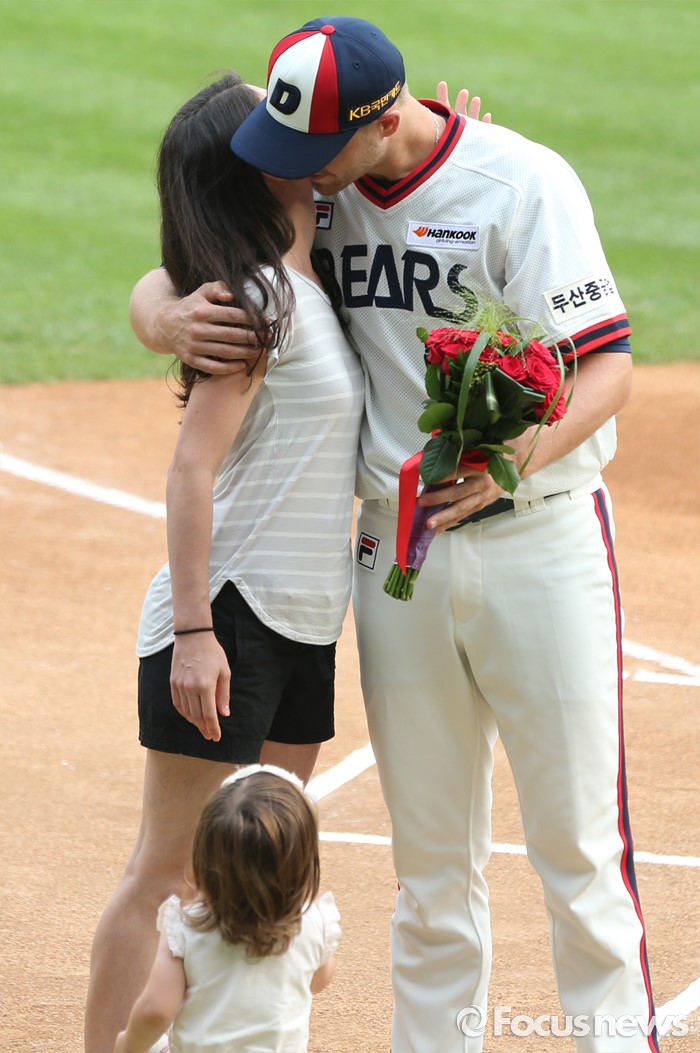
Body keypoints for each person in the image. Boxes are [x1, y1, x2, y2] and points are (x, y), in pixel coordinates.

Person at [129, 17, 658, 1053]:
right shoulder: (321, 195)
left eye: (316, 147)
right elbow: (181, 260)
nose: (297, 171)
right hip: (395, 554)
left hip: (537, 541)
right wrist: (164, 315)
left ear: (381, 122)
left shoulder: (520, 183)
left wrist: (510, 461)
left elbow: (609, 366)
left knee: (579, 853)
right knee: (429, 871)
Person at [84, 72, 363, 1053]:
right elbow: (190, 471)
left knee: (266, 873)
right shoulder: (254, 302)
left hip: (304, 619)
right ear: (255, 166)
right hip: (229, 615)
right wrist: (196, 633)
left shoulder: (314, 271)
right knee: (168, 871)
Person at [114, 764, 340, 1053]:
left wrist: (128, 1045)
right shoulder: (314, 922)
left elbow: (156, 1010)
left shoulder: (185, 924)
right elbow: (319, 980)